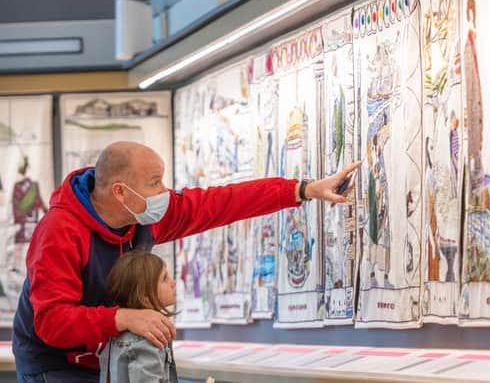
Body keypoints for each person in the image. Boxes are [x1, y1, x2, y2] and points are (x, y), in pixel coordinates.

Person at [13, 141, 359, 382]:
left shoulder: (143, 216)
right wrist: (123, 317)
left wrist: (302, 190)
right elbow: (52, 322)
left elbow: (222, 203)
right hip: (54, 363)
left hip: (107, 354)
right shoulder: (60, 231)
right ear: (120, 191)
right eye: (154, 182)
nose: (165, 191)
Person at [99, 251, 178, 383]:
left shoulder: (116, 334)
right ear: (144, 296)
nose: (173, 282)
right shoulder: (148, 339)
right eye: (164, 278)